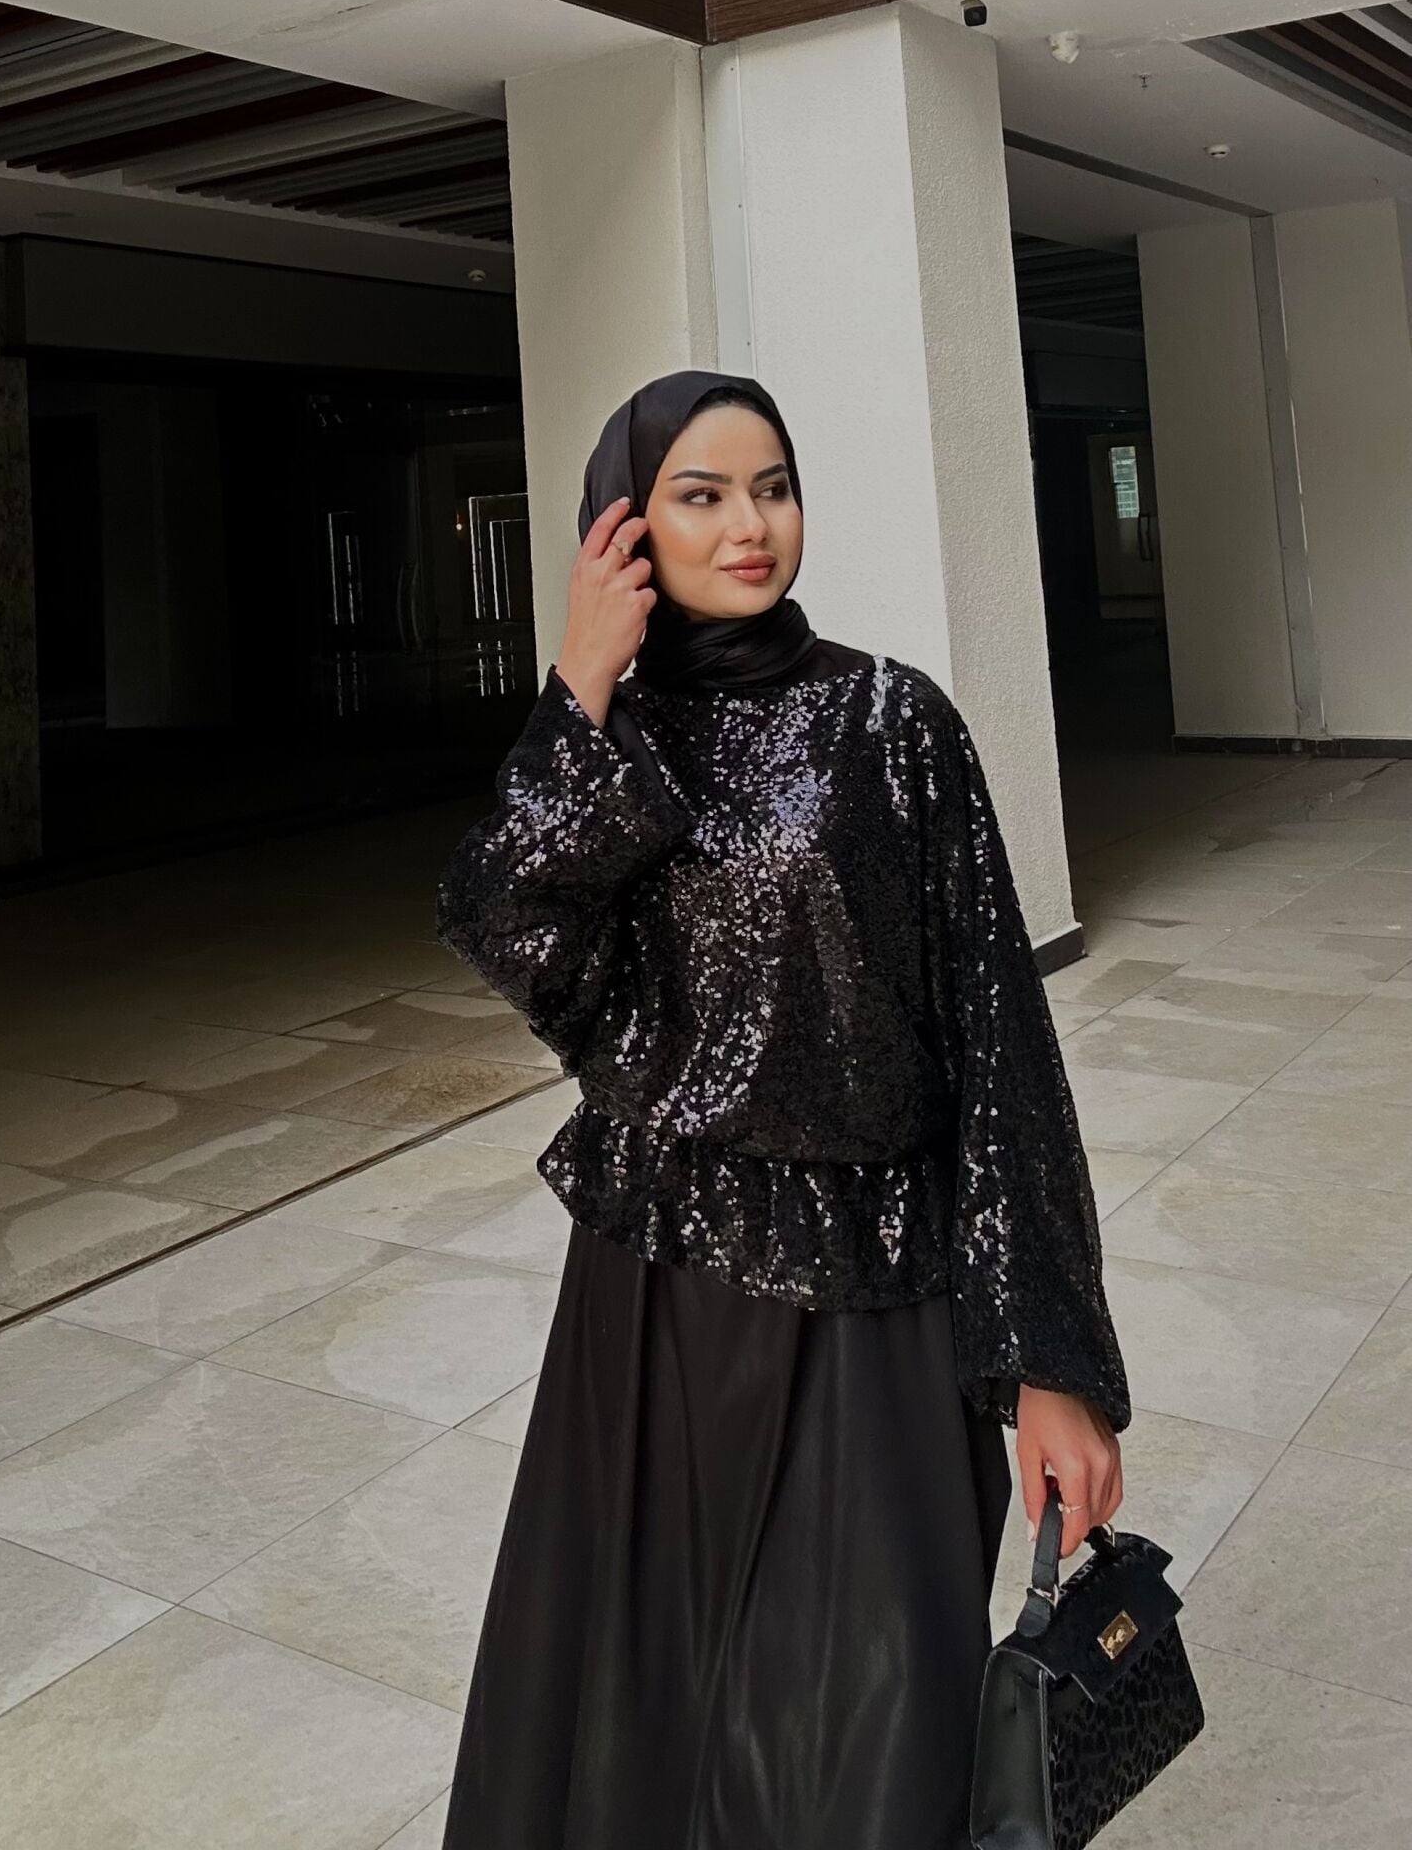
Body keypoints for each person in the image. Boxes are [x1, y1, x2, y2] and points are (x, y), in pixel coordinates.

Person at [434, 370, 1130, 1850]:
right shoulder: (614, 743)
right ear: (624, 528)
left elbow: (1002, 1045)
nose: (749, 525)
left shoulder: (893, 721)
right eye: (701, 494)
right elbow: (512, 932)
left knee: (878, 1714)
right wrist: (578, 690)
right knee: (650, 1701)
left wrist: (1049, 1364)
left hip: (882, 1287)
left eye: (773, 486)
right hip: (666, 1290)